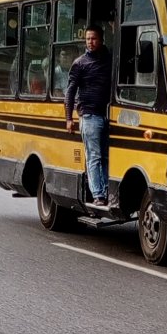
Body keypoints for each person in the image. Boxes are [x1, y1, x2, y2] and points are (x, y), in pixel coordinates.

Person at [64, 25, 112, 206]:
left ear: (101, 40)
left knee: (107, 156)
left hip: (108, 116)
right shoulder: (80, 63)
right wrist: (69, 118)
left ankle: (107, 191)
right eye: (88, 39)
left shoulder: (109, 60)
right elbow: (70, 92)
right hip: (89, 116)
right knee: (94, 157)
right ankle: (98, 194)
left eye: (94, 39)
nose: (90, 42)